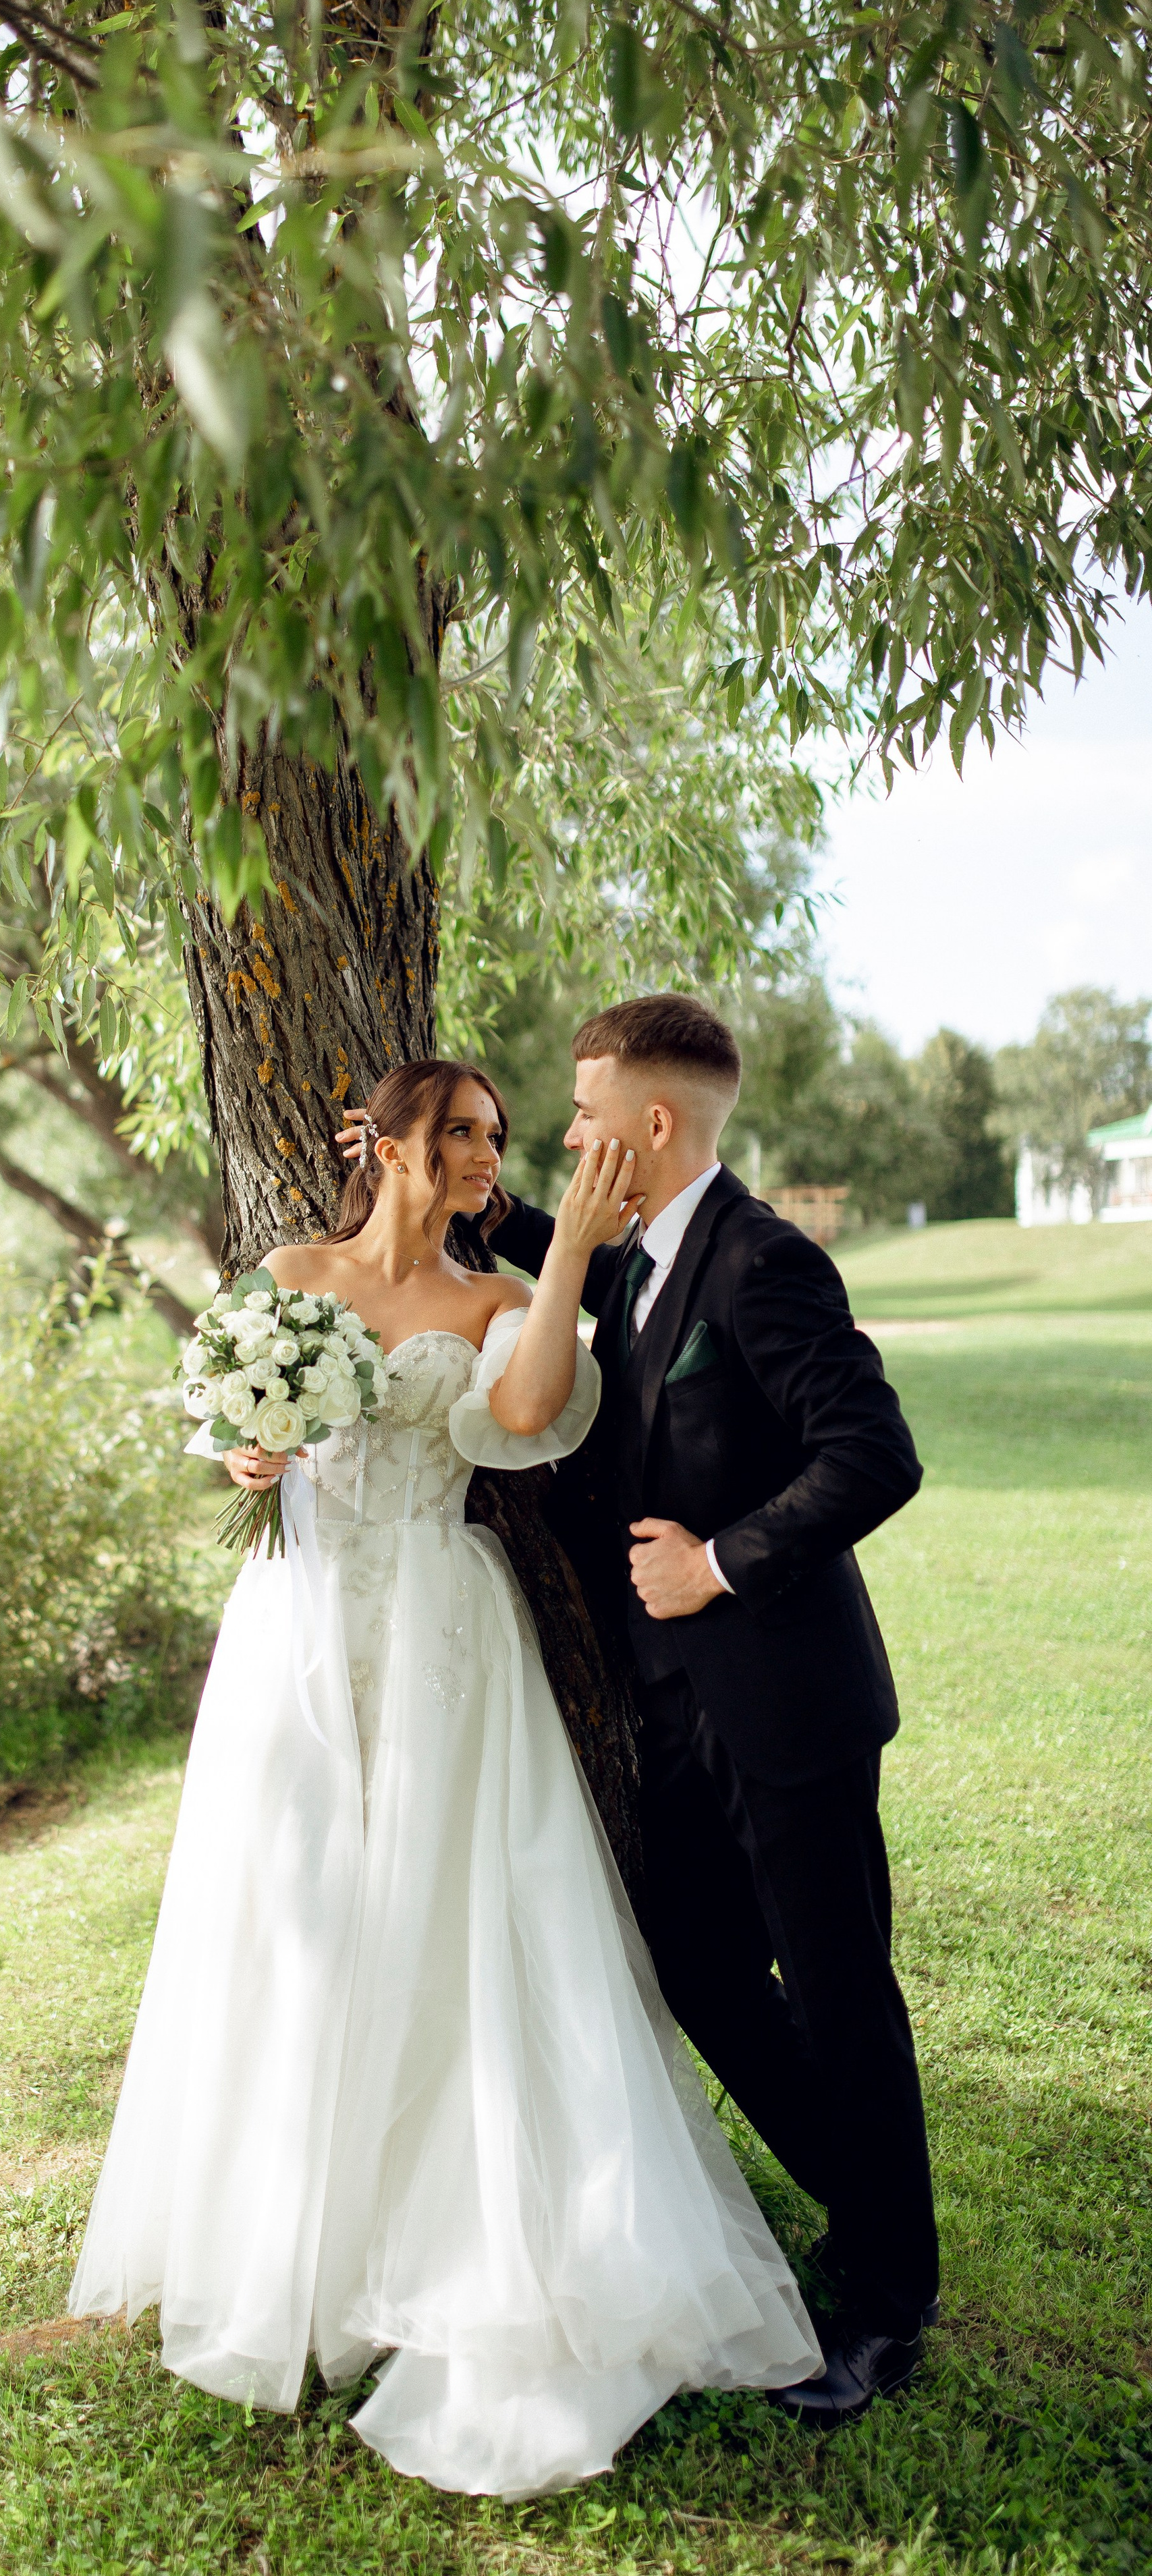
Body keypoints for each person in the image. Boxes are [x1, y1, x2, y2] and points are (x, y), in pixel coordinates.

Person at [70, 1057, 820, 2499]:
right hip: (295, 1637)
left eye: (494, 1134)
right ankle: (292, 2249)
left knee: (440, 1925)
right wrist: (244, 1450)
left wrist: (568, 1267)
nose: (489, 1154)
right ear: (388, 1143)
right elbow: (228, 1416)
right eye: (464, 1132)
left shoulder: (491, 1299)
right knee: (293, 1925)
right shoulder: (287, 1273)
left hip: (437, 1627)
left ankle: (441, 2246)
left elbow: (529, 1416)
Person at [445, 994, 937, 2422]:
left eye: (584, 1114)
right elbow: (560, 1260)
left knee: (841, 1995)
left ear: (651, 1127)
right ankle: (859, 2192)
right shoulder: (629, 1256)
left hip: (786, 1705)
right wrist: (455, 1171)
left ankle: (886, 2302)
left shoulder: (762, 1264)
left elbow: (873, 1454)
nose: (568, 1135)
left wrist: (720, 1563)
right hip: (670, 1712)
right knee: (697, 1966)